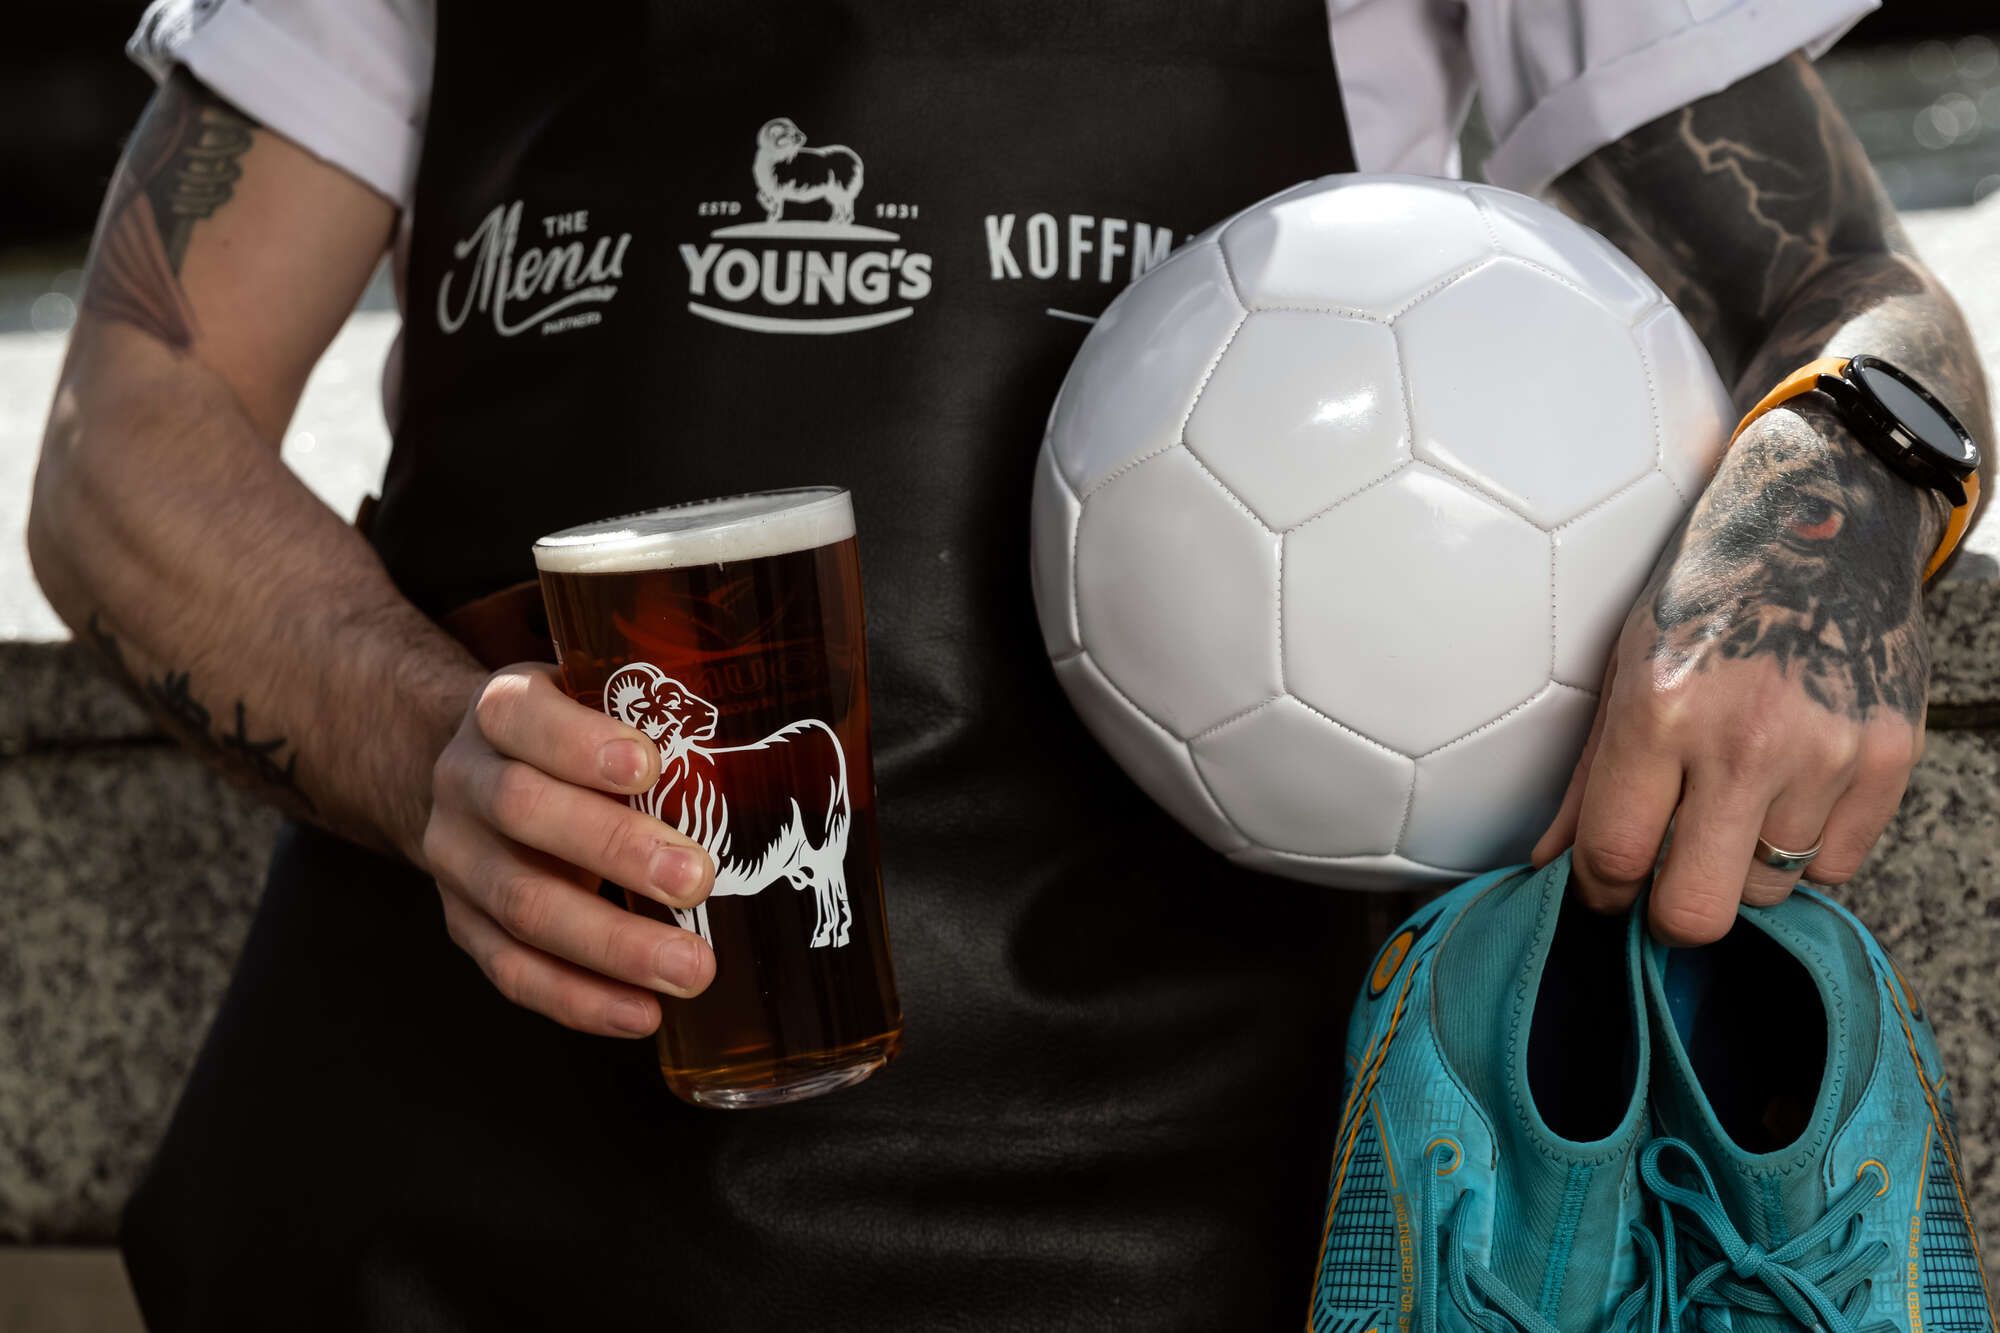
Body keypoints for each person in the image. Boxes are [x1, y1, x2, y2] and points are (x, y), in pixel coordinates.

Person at [27, 0, 1990, 1325]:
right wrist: (427, 746)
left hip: (1196, 1215)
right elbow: (136, 422)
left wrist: (1816, 508)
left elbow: (1849, 302)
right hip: (441, 1220)